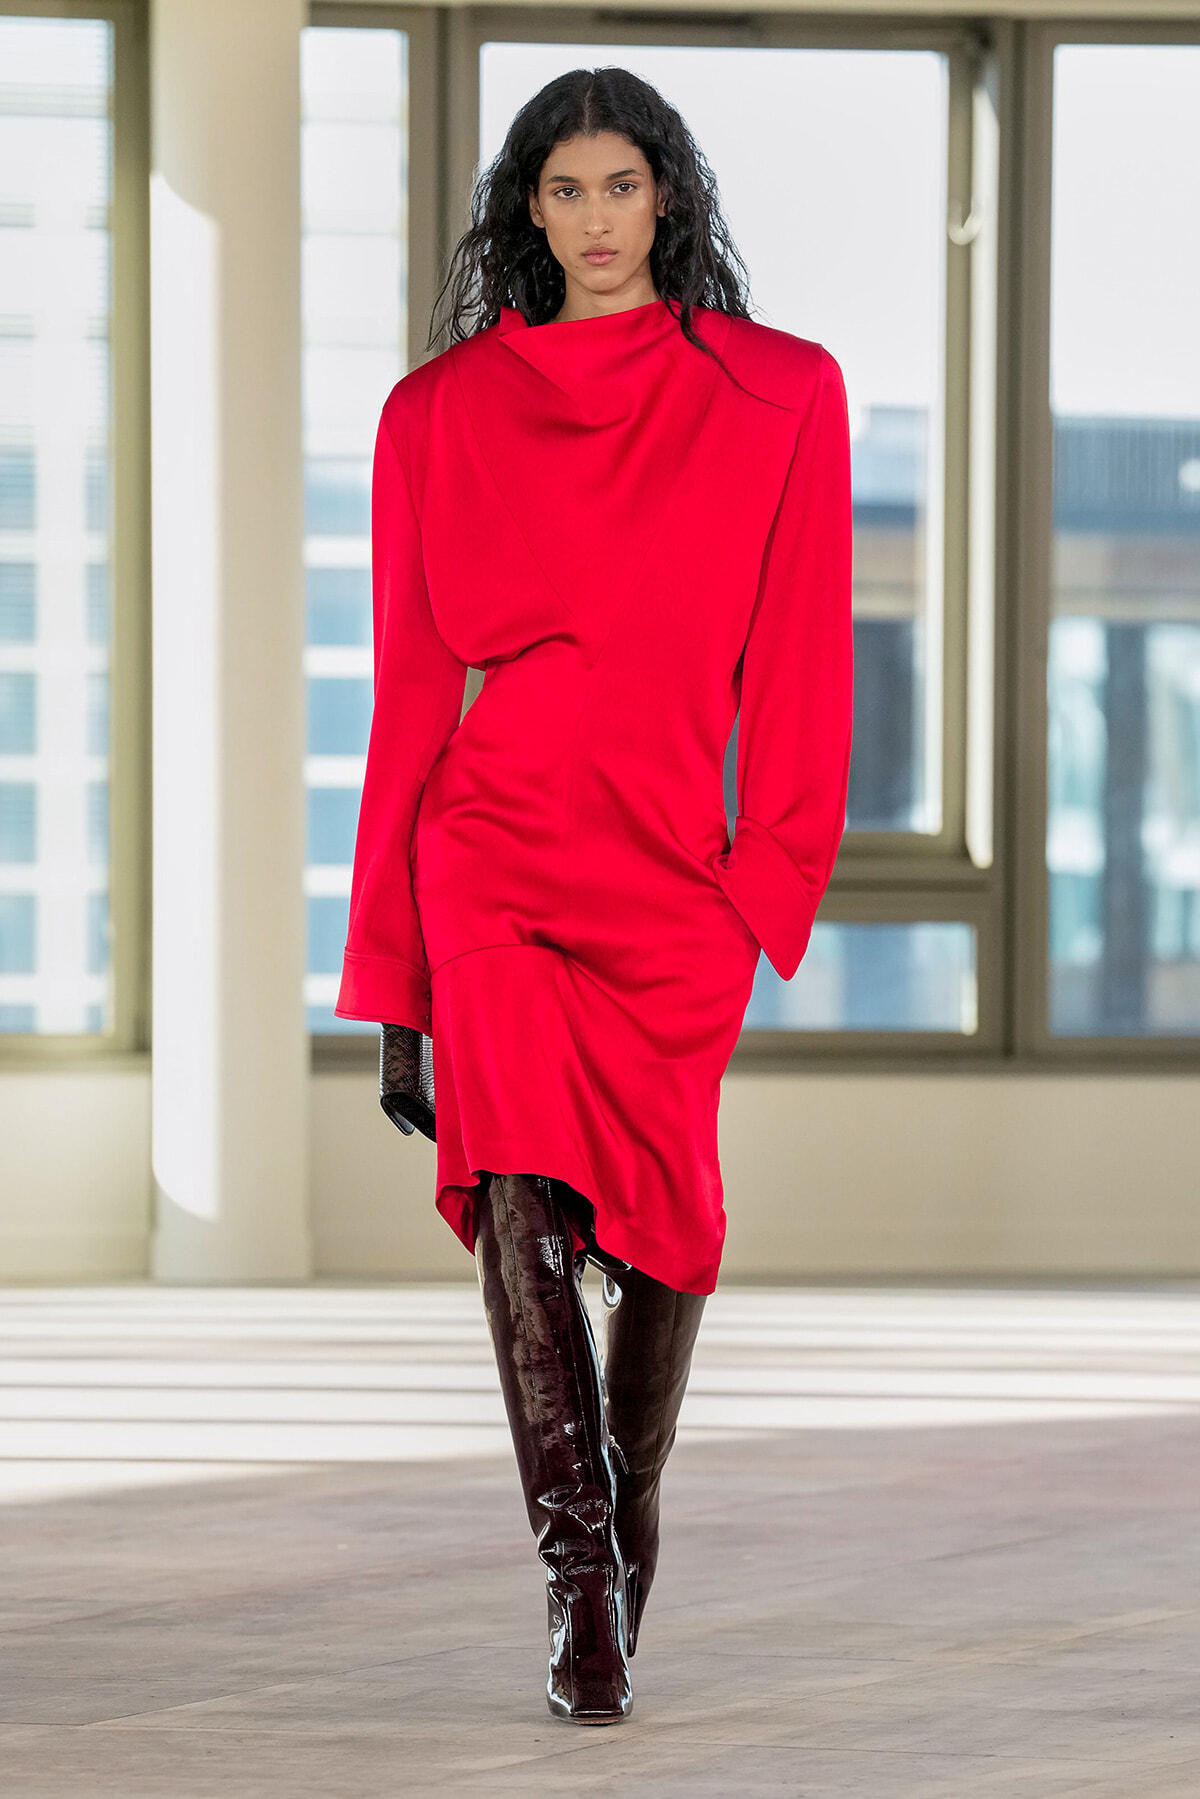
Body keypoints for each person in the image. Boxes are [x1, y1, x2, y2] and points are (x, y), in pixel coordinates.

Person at [334, 66, 854, 1724]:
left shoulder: (781, 392)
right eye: (564, 191)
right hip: (490, 844)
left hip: (673, 866)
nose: (595, 219)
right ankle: (576, 1581)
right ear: (529, 213)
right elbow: (411, 697)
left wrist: (762, 877)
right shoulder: (437, 413)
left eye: (621, 185)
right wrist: (396, 975)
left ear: (668, 197)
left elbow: (804, 659)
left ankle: (628, 1516)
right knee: (514, 1184)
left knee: (671, 1215)